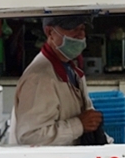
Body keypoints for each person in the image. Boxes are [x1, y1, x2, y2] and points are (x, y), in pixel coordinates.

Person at [12, 14, 104, 146]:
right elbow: (30, 136)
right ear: (50, 32)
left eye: (82, 28)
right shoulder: (39, 78)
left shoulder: (72, 70)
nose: (80, 35)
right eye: (72, 29)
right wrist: (79, 125)